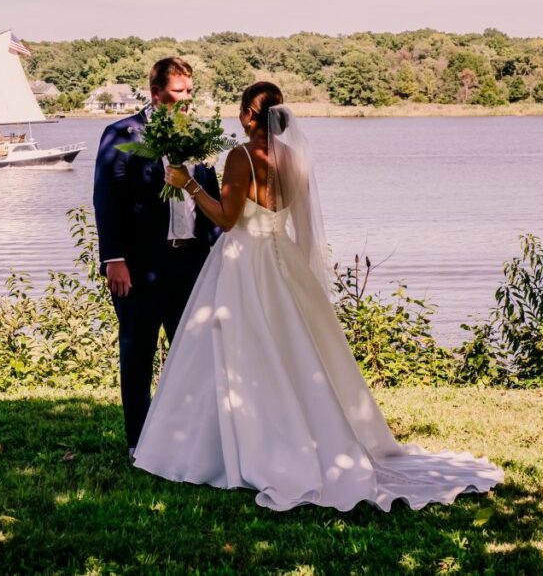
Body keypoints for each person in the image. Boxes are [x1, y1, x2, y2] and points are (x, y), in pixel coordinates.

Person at [132, 81, 503, 511]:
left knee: (237, 349)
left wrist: (187, 185)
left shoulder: (241, 157)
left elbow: (227, 220)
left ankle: (228, 446)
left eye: (241, 111)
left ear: (248, 116)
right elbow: (293, 219)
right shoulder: (293, 158)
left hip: (243, 262)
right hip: (284, 260)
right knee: (293, 351)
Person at [93, 57, 222, 460]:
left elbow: (211, 199)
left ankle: (183, 437)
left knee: (191, 355)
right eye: (178, 92)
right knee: (138, 352)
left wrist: (219, 256)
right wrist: (113, 258)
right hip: (140, 265)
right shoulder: (121, 133)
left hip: (191, 263)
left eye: (189, 91)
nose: (186, 98)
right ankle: (139, 441)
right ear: (155, 93)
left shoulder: (198, 135)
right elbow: (106, 199)